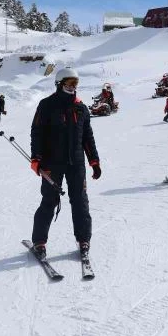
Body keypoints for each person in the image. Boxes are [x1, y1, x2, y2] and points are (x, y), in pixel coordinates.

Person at [30, 67, 101, 258]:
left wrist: (94, 161)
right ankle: (39, 242)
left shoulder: (81, 108)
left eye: (76, 83)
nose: (73, 87)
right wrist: (36, 158)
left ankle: (84, 239)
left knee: (80, 201)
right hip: (52, 163)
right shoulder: (47, 105)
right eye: (70, 83)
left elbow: (87, 137)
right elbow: (37, 133)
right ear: (60, 84)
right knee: (49, 201)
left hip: (76, 163)